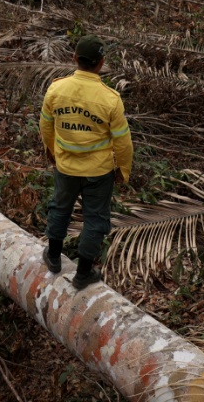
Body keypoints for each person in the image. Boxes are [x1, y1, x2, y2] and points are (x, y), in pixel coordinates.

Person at [39, 34, 132, 289]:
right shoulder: (110, 98)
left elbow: (46, 126)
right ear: (101, 63)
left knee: (60, 208)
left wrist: (51, 150)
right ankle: (83, 274)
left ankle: (54, 258)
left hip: (66, 167)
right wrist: (123, 169)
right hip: (99, 173)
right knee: (95, 219)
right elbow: (123, 141)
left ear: (74, 59)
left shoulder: (56, 89)